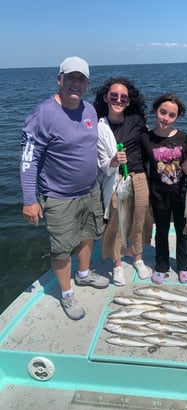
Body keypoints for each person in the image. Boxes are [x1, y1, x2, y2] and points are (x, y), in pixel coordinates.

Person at [20, 56, 108, 321]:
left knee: (89, 233)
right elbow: (28, 159)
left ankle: (83, 274)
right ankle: (67, 293)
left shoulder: (90, 110)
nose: (75, 84)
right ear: (59, 79)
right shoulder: (42, 114)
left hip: (90, 190)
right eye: (70, 77)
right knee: (60, 248)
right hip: (58, 197)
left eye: (81, 79)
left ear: (88, 84)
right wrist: (29, 199)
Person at [94, 76, 152, 286]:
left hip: (138, 177)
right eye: (114, 96)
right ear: (106, 97)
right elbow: (100, 163)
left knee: (139, 219)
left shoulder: (136, 119)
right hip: (116, 180)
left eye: (124, 98)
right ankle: (117, 264)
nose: (118, 100)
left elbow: (150, 144)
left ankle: (137, 257)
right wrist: (112, 161)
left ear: (129, 101)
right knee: (117, 221)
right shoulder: (99, 126)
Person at [141, 93, 187, 285]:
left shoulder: (184, 138)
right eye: (162, 112)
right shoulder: (146, 138)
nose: (165, 118)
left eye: (171, 115)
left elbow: (186, 168)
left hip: (182, 194)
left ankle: (184, 265)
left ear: (177, 117)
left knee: (183, 230)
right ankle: (161, 265)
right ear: (155, 111)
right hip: (158, 195)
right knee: (161, 231)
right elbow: (140, 164)